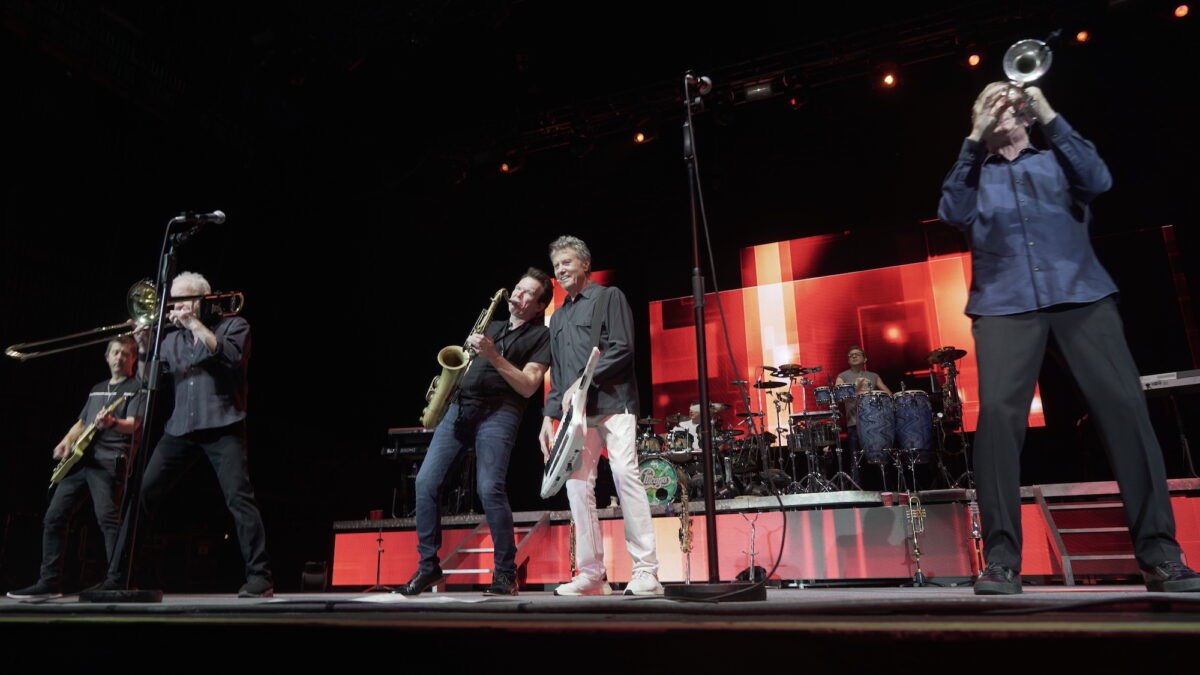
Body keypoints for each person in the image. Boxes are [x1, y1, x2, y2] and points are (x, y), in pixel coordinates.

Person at [938, 82, 1200, 595]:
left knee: (1126, 409)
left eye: (1009, 103)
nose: (1001, 110)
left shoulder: (1057, 155)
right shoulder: (975, 171)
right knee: (998, 424)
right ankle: (1001, 562)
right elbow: (952, 212)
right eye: (987, 103)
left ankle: (1161, 555)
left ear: (1027, 115)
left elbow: (1098, 179)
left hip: (1081, 295)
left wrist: (1049, 111)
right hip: (1003, 305)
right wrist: (974, 135)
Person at [102, 271, 273, 597]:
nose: (174, 309)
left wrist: (195, 325)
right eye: (173, 302)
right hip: (180, 429)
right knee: (142, 498)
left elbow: (232, 357)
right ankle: (118, 575)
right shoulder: (169, 340)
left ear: (202, 300)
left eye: (182, 301)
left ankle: (260, 576)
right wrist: (142, 348)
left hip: (223, 424)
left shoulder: (234, 326)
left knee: (239, 499)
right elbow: (149, 383)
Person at [399, 269, 553, 597]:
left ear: (540, 306)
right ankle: (428, 568)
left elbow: (528, 386)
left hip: (500, 412)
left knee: (489, 489)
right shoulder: (493, 327)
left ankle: (505, 573)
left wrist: (494, 355)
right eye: (518, 289)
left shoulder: (542, 336)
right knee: (426, 482)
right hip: (460, 407)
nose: (518, 296)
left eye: (528, 294)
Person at [538, 235, 662, 596]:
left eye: (566, 263)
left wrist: (584, 381)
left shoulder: (610, 297)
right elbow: (558, 372)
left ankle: (646, 571)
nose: (560, 271)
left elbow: (623, 347)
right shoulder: (557, 317)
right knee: (577, 487)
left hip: (614, 403)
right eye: (556, 266)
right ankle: (592, 574)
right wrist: (548, 416)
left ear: (585, 265)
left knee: (625, 475)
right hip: (576, 415)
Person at [6, 338, 143, 600]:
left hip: (110, 460)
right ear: (107, 356)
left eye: (126, 354)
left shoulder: (135, 389)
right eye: (115, 353)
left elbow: (134, 425)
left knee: (108, 520)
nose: (119, 358)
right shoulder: (97, 389)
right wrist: (66, 441)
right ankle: (49, 582)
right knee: (55, 515)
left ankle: (119, 579)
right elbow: (81, 423)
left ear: (133, 359)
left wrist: (112, 423)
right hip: (83, 461)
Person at [836, 346, 892, 486]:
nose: (853, 356)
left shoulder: (873, 376)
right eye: (850, 355)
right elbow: (838, 396)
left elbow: (888, 395)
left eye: (857, 354)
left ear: (865, 358)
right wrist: (856, 391)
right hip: (854, 423)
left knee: (881, 458)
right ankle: (857, 491)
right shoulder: (843, 376)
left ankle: (886, 489)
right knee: (856, 460)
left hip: (876, 424)